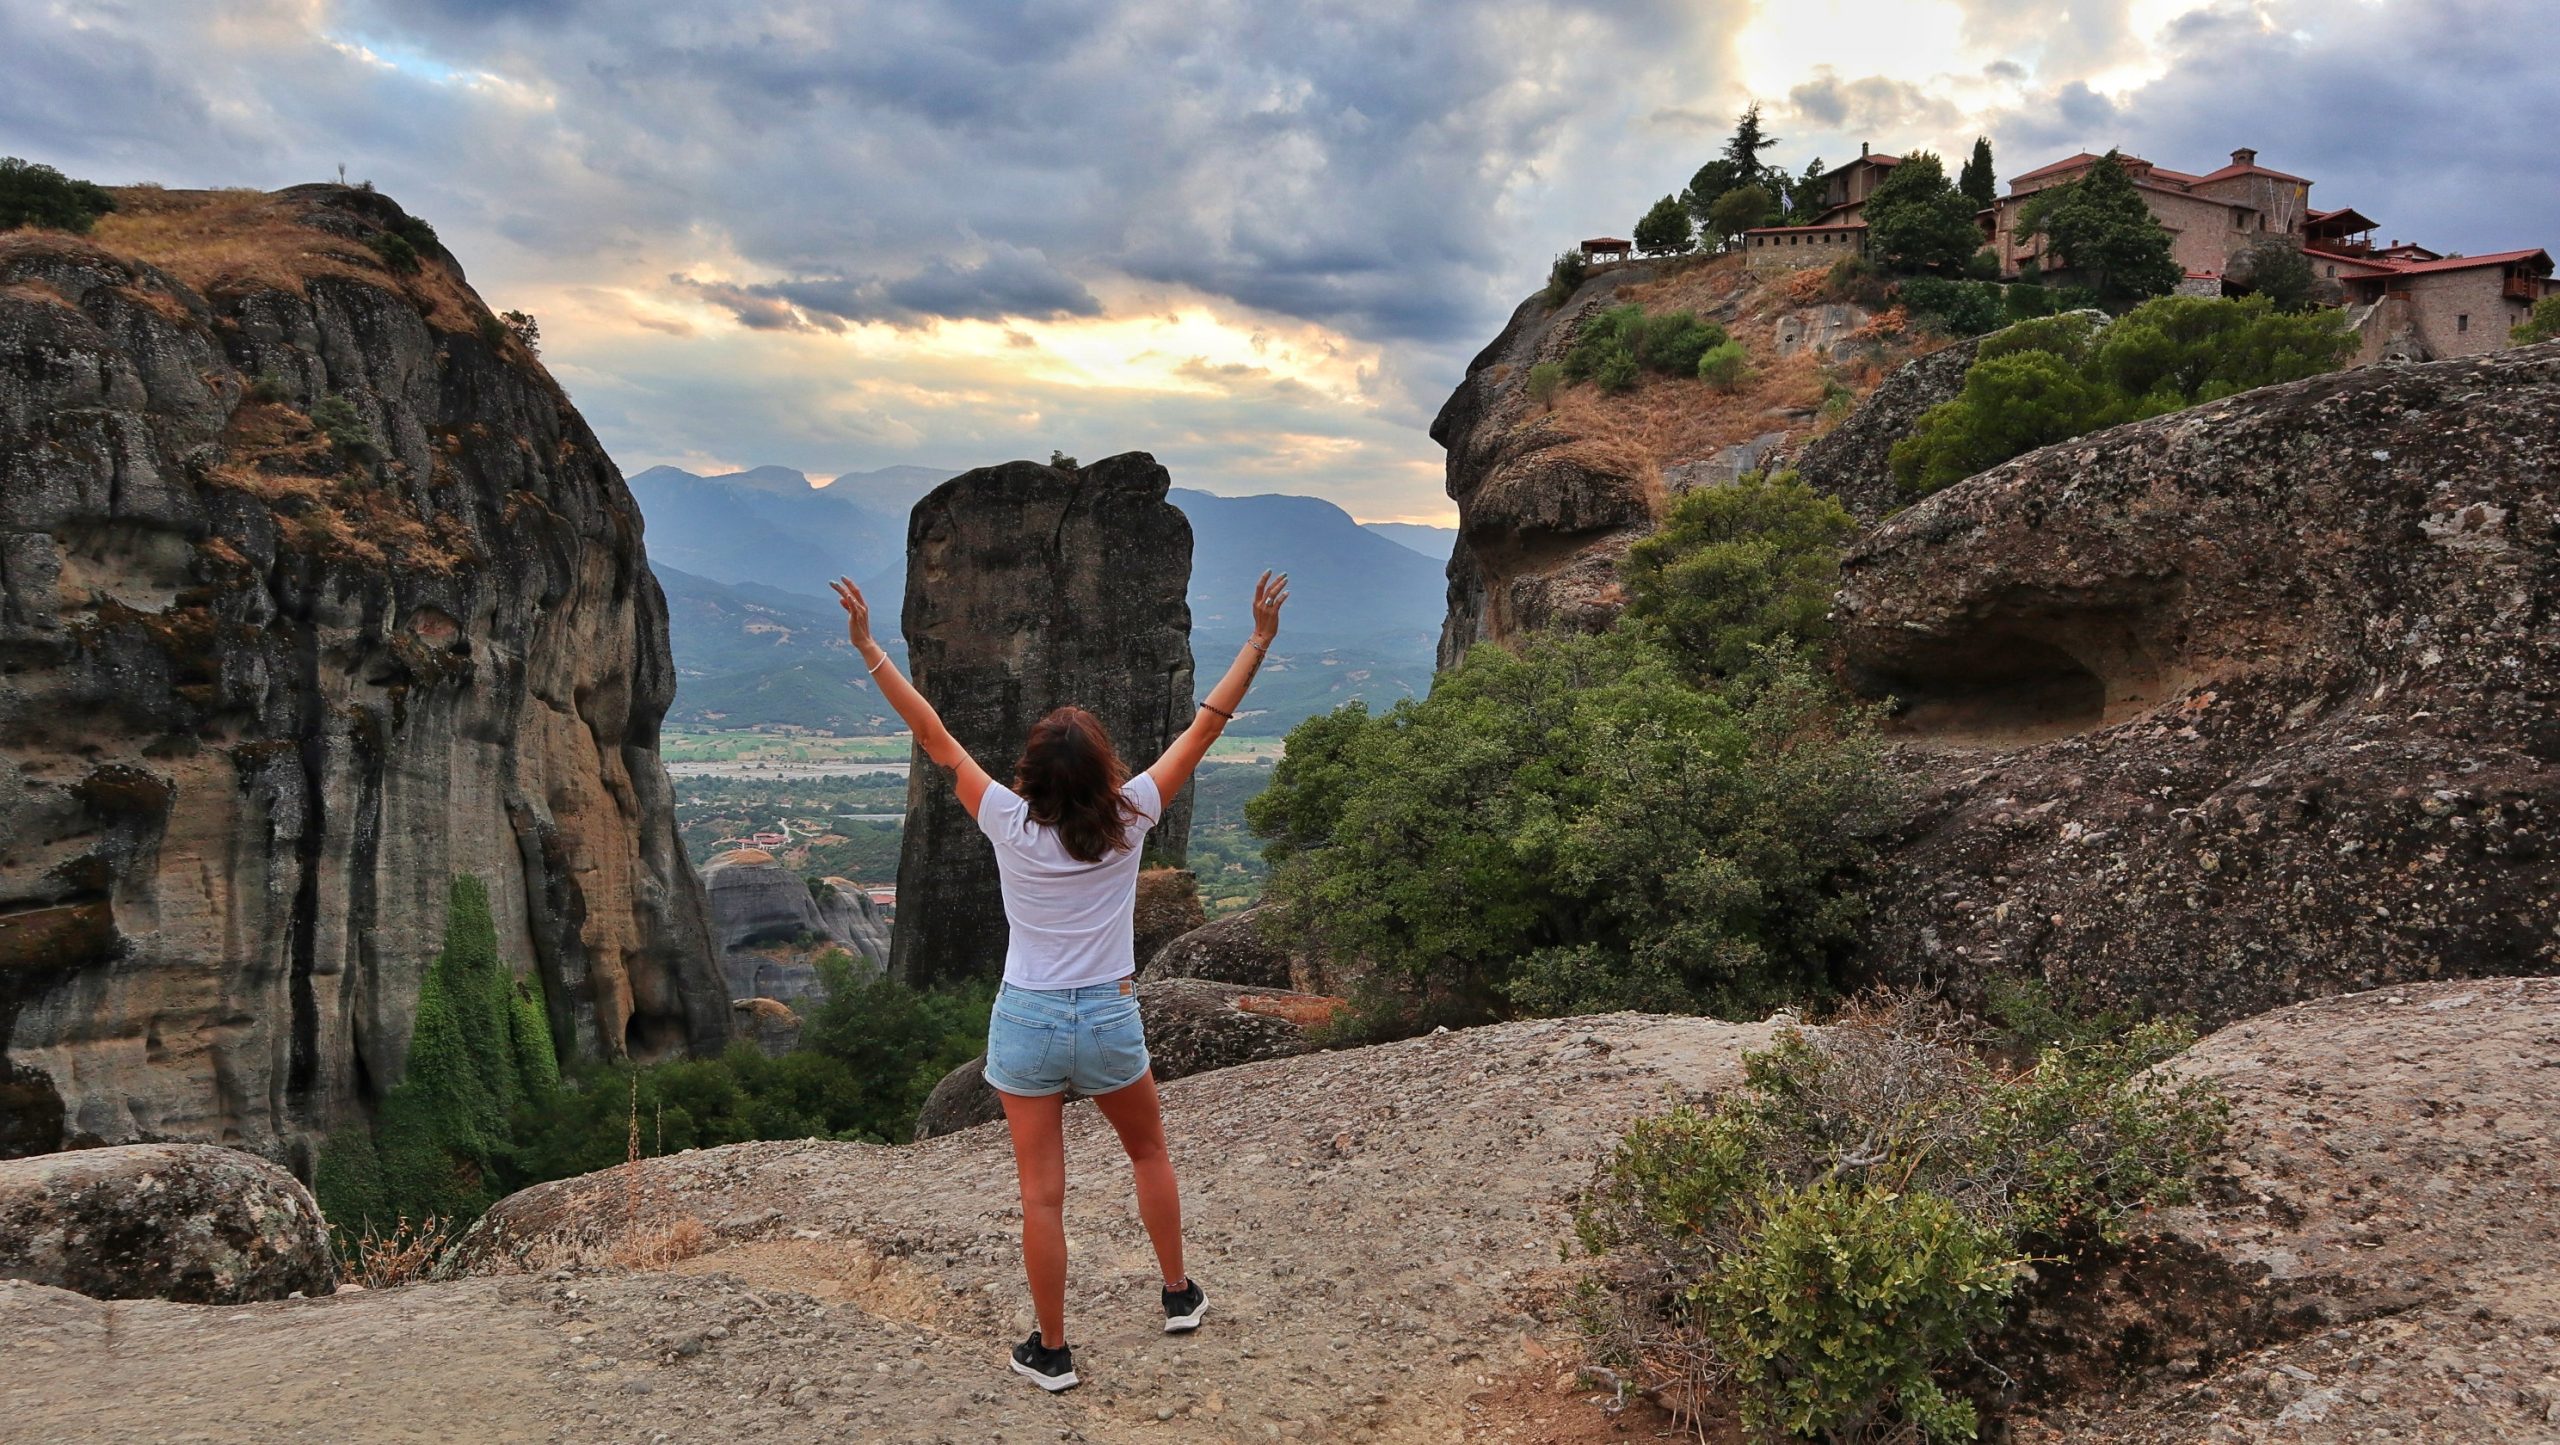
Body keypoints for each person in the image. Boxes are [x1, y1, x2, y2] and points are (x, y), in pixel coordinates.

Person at [831, 568, 1289, 1393]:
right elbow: (1207, 725)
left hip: (1029, 1021)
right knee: (1149, 1152)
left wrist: (869, 647)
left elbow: (934, 735)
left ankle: (1053, 1349)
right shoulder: (1136, 813)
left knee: (1044, 1196)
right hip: (1110, 1015)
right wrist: (1256, 640)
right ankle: (1178, 1293)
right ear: (1102, 770)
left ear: (1032, 774)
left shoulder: (1007, 820)